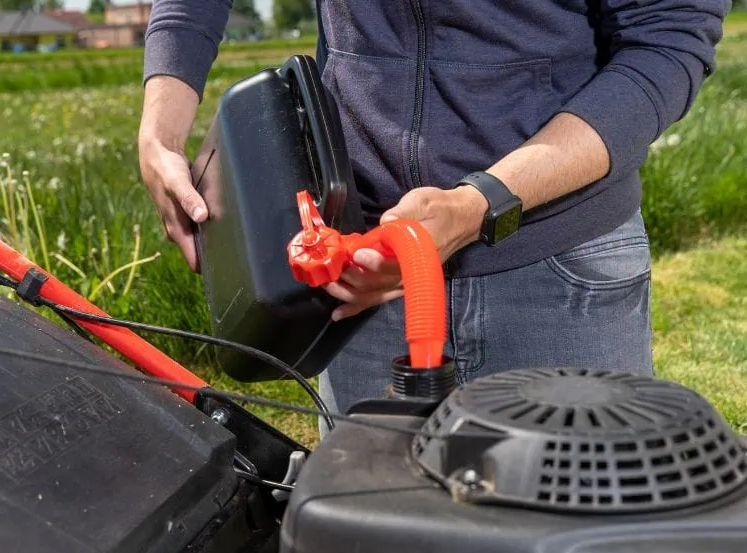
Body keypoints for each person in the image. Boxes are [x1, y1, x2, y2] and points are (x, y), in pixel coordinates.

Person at [138, 1, 730, 420]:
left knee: (576, 539)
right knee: (379, 538)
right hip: (363, 275)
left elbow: (666, 41)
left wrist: (479, 203)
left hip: (560, 272)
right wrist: (160, 129)